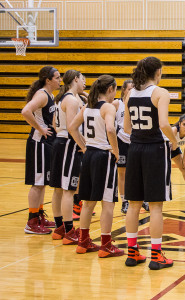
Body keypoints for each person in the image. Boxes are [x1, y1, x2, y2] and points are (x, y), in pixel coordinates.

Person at [123, 56, 178, 270]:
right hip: (155, 149)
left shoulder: (130, 93)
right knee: (155, 206)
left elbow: (127, 128)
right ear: (157, 72)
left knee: (134, 204)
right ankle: (156, 255)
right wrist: (173, 142)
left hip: (135, 148)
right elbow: (164, 123)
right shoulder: (160, 93)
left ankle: (132, 253)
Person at [69, 74, 124, 258]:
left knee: (88, 202)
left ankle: (83, 241)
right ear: (110, 89)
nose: (115, 94)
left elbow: (72, 127)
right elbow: (110, 129)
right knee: (108, 202)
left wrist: (84, 146)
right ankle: (106, 245)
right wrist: (116, 151)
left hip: (90, 155)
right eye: (115, 90)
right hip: (103, 155)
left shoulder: (87, 107)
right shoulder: (107, 107)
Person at [21, 66, 60, 234]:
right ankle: (31, 221)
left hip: (47, 144)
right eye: (57, 78)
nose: (60, 80)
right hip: (38, 143)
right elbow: (25, 111)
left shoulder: (50, 95)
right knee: (37, 183)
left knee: (43, 182)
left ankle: (39, 216)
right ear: (48, 80)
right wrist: (41, 129)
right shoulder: (42, 95)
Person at [49, 70, 86, 244]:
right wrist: (83, 146)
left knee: (58, 189)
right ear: (76, 79)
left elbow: (56, 125)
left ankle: (60, 227)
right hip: (68, 144)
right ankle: (69, 230)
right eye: (82, 79)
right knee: (68, 190)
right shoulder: (71, 100)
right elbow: (73, 128)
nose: (84, 82)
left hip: (59, 142)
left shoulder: (61, 98)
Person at [113, 79, 134, 214]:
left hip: (135, 141)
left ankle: (141, 199)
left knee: (137, 172)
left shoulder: (136, 102)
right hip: (121, 140)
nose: (132, 91)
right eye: (129, 88)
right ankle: (124, 201)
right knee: (122, 172)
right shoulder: (117, 103)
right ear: (124, 90)